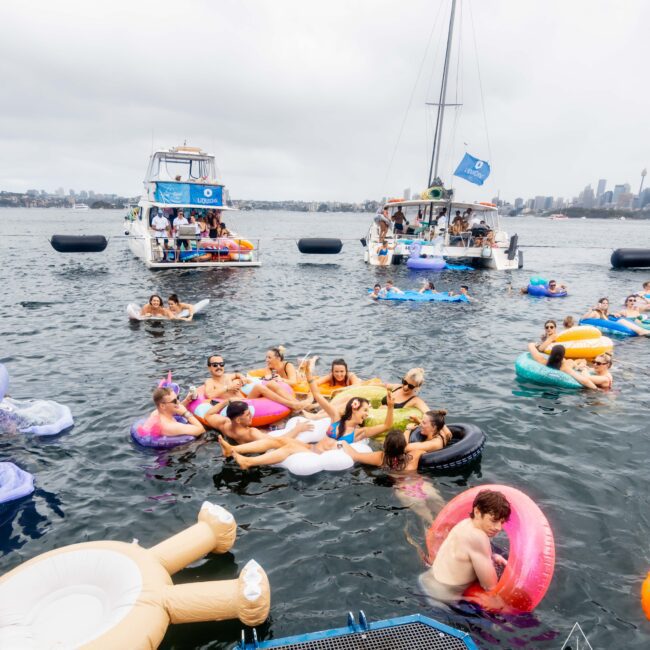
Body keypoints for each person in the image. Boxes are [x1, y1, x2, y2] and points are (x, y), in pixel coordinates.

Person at [218, 374, 395, 469]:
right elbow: (318, 396)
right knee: (276, 440)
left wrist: (390, 407)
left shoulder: (359, 432)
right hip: (311, 448)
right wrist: (310, 374)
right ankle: (233, 449)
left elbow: (386, 426)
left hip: (317, 457)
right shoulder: (336, 418)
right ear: (354, 408)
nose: (366, 414)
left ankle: (248, 462)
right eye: (365, 410)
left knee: (287, 446)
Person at [420, 489, 510, 602]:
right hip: (444, 596)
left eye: (502, 522)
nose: (498, 528)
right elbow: (489, 586)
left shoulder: (465, 523)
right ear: (477, 512)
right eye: (494, 521)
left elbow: (466, 557)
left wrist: (492, 557)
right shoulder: (478, 537)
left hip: (429, 579)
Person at [201, 354, 312, 411]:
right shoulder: (210, 381)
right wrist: (227, 388)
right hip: (238, 405)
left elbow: (237, 374)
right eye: (215, 365)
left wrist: (242, 378)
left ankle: (298, 404)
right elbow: (209, 394)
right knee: (259, 387)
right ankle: (292, 405)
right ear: (209, 368)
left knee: (272, 384)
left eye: (221, 364)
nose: (219, 367)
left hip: (246, 399)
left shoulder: (228, 376)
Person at [208, 400, 313, 444]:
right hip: (264, 440)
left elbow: (208, 415)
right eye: (248, 414)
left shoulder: (224, 425)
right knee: (282, 421)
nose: (252, 415)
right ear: (238, 420)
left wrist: (225, 402)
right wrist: (298, 429)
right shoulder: (251, 433)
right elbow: (278, 441)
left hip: (237, 442)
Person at [527, 343, 612, 389]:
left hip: (603, 395)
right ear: (563, 356)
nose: (594, 364)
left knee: (581, 362)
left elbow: (587, 380)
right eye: (594, 362)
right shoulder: (566, 365)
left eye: (598, 363)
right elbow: (586, 381)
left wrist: (534, 344)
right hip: (591, 390)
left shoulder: (605, 379)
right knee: (581, 361)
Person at [583, 297, 650, 336]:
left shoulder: (606, 313)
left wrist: (613, 313)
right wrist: (593, 309)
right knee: (622, 321)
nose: (605, 305)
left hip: (614, 322)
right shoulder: (595, 312)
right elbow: (584, 318)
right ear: (599, 304)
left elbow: (608, 314)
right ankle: (641, 331)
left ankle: (642, 331)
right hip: (613, 324)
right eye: (603, 303)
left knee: (622, 320)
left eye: (607, 303)